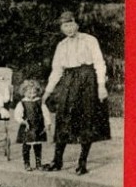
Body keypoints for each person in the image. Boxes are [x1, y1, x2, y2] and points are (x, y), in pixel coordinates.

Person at [42, 11, 111, 175]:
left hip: (87, 80)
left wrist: (101, 86)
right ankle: (57, 160)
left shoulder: (89, 40)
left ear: (77, 24)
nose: (69, 28)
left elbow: (99, 63)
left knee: (86, 118)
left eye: (71, 24)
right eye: (65, 26)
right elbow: (57, 70)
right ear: (61, 28)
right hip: (69, 81)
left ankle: (82, 162)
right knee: (63, 117)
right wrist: (47, 91)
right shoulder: (61, 45)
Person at [14, 79, 53, 172]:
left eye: (34, 92)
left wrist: (48, 123)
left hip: (38, 127)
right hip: (27, 127)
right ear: (24, 92)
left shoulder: (40, 103)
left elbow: (46, 113)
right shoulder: (22, 103)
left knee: (38, 145)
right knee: (26, 146)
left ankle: (38, 163)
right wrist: (22, 121)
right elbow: (17, 115)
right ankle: (26, 163)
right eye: (29, 92)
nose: (32, 95)